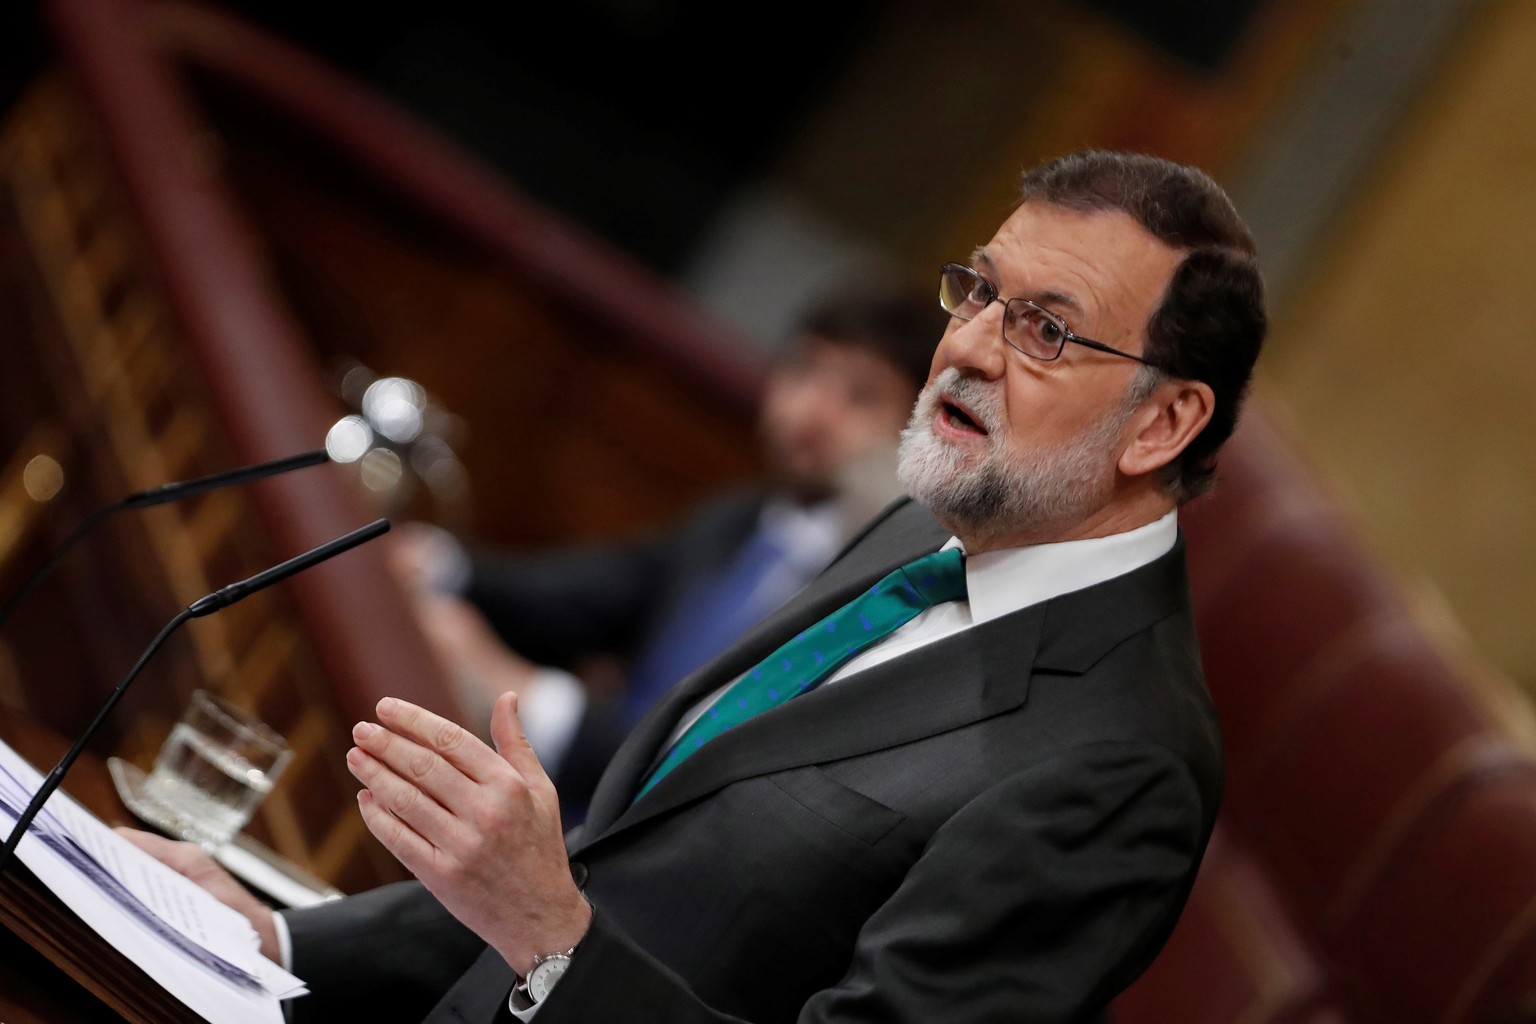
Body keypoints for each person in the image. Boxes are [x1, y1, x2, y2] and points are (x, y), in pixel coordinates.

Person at [128, 149, 1267, 1024]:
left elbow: (561, 926)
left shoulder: (1125, 765)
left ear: (1164, 422)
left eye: (1045, 330)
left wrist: (553, 941)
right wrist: (273, 941)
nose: (967, 347)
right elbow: (612, 883)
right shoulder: (904, 538)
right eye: (977, 293)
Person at [392, 283, 943, 825]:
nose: (814, 411)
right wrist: (446, 567)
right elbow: (581, 596)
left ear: (913, 429)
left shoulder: (869, 595)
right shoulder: (737, 519)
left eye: (860, 396)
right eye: (804, 371)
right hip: (556, 814)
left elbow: (703, 767)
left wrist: (516, 688)